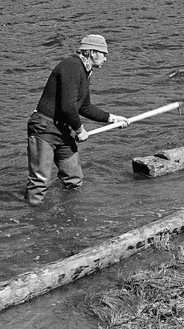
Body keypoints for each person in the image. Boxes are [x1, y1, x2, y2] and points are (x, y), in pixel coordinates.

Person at [25, 33, 129, 205]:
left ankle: (69, 214)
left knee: (74, 179)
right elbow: (68, 107)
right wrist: (80, 130)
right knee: (40, 181)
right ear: (93, 53)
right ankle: (30, 221)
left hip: (63, 129)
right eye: (105, 54)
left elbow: (84, 107)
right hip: (44, 128)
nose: (106, 59)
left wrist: (111, 118)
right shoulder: (72, 66)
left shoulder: (85, 71)